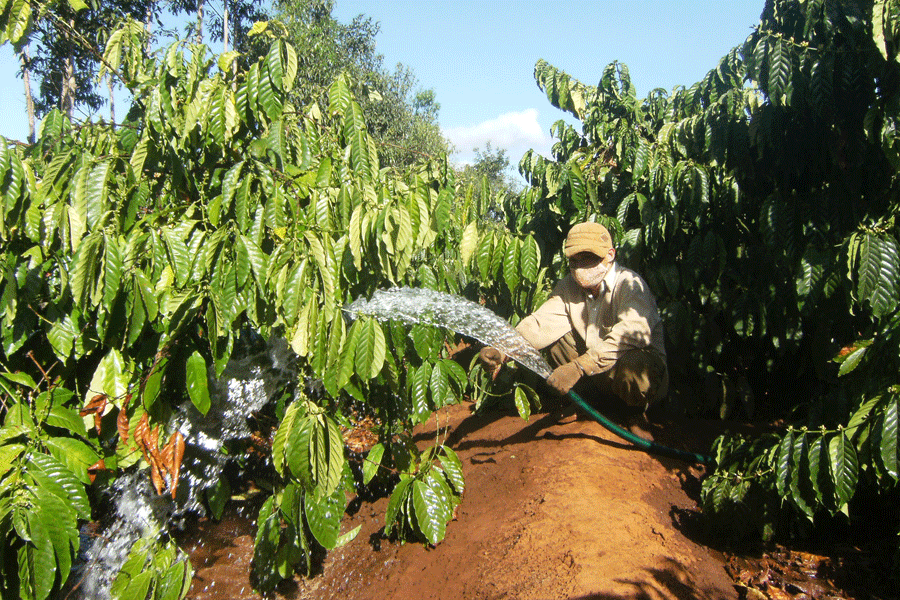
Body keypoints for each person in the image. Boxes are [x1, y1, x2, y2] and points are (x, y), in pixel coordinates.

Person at [480, 222, 668, 415]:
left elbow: (629, 336)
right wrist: (502, 349)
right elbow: (540, 324)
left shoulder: (630, 285)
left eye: (587, 258)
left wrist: (579, 367)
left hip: (639, 376)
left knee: (634, 363)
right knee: (558, 341)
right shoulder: (568, 287)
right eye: (573, 261)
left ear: (610, 255)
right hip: (598, 376)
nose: (579, 268)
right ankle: (588, 404)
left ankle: (635, 413)